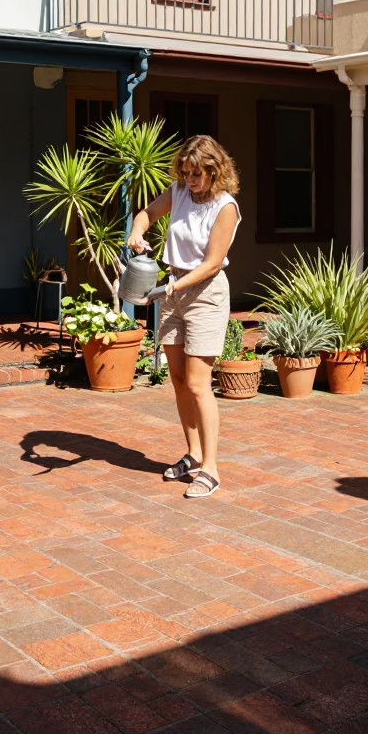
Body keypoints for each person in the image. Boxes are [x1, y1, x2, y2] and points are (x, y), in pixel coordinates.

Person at [127, 135, 240, 498]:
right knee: (176, 379)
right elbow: (146, 214)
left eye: (197, 174)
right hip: (174, 288)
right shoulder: (177, 192)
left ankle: (211, 468)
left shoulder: (225, 207)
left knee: (197, 383)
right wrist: (136, 231)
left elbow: (210, 264)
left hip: (204, 294)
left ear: (214, 171)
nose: (190, 180)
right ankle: (192, 455)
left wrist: (175, 287)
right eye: (186, 172)